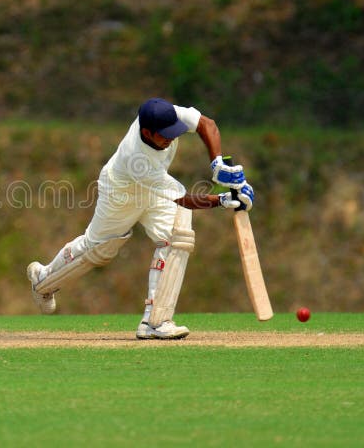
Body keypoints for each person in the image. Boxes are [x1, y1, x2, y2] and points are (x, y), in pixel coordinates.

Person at [26, 98, 254, 339]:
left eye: (174, 132)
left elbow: (207, 124)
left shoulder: (168, 115)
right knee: (100, 250)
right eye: (165, 135)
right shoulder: (138, 159)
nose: (171, 138)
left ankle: (155, 320)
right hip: (121, 194)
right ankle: (42, 281)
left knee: (176, 236)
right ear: (146, 132)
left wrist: (217, 163)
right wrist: (222, 200)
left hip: (154, 189)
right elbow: (183, 199)